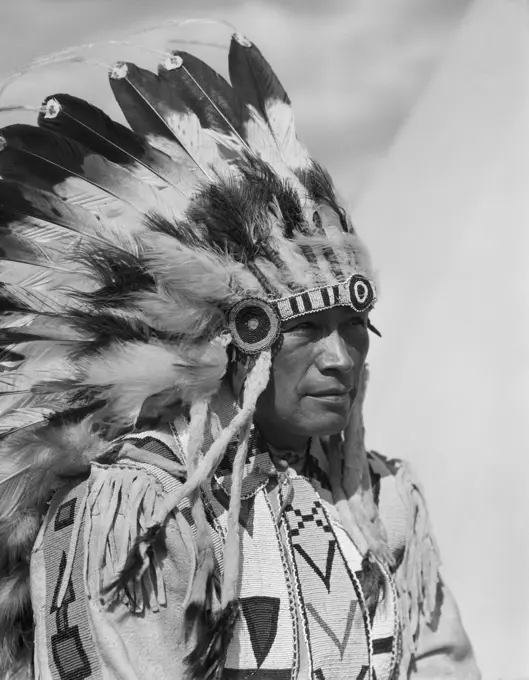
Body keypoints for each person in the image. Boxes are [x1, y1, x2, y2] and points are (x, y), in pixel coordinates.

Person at [0, 28, 480, 680]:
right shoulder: (137, 516)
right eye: (307, 329)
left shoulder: (377, 500)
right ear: (233, 345)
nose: (342, 357)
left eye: (355, 323)